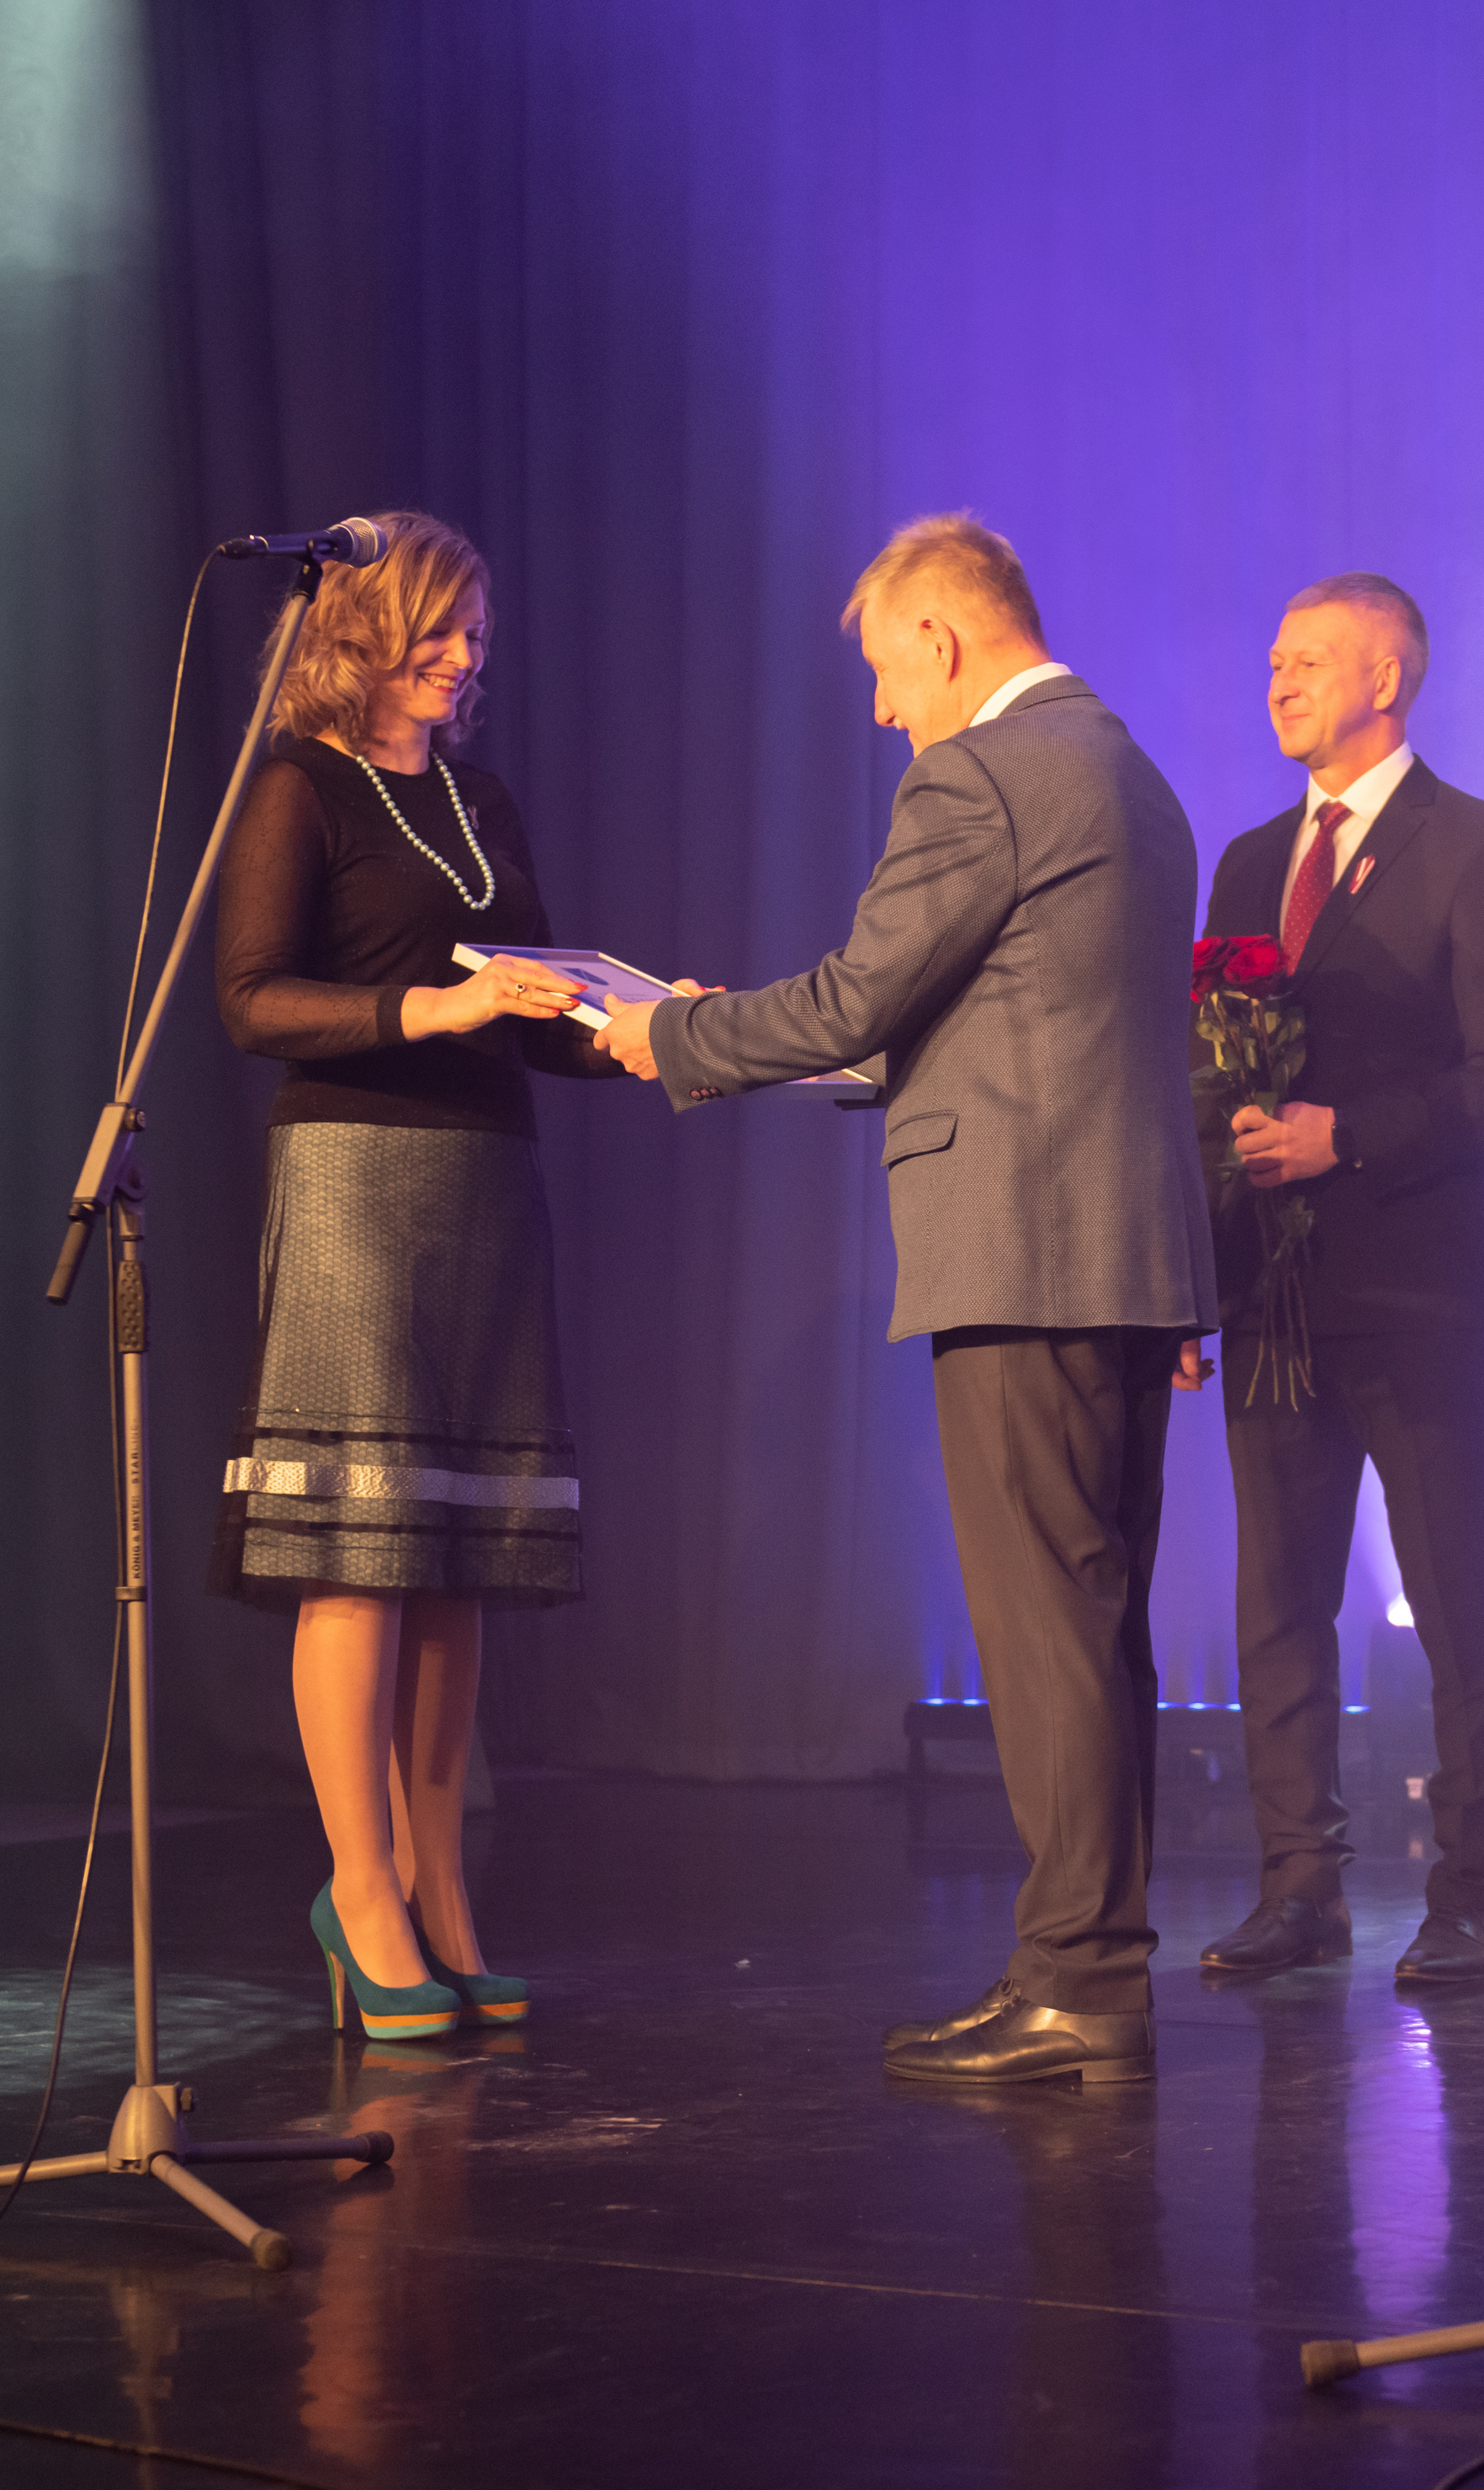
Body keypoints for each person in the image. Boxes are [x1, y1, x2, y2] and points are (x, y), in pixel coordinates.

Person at [599, 513, 1216, 2084]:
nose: (882, 708)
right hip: (1125, 1254)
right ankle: (1084, 1968)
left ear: (941, 639)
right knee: (1096, 1628)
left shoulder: (981, 774)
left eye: (885, 670)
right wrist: (735, 1035)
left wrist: (672, 1038)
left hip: (1024, 1251)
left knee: (1047, 1630)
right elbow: (997, 1019)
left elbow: (862, 993)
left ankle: (1080, 1985)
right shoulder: (1133, 773)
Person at [211, 509, 623, 2040]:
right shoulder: (299, 785)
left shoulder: (479, 799)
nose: (463, 655)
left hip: (485, 1183)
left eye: (474, 633)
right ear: (363, 630)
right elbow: (254, 1000)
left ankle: (442, 1891)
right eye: (437, 629)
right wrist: (426, 1014)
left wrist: (652, 1029)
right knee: (360, 1548)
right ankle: (362, 1889)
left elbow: (532, 1011)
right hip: (353, 1179)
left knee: (457, 1554)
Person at [1195, 572, 1484, 1984]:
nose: (1280, 679)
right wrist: (1193, 1272)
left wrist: (1345, 1136)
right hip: (1271, 1297)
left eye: (1309, 657)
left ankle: (1475, 1894)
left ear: (1387, 678)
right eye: (1272, 659)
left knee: (1456, 1593)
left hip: (1420, 1295)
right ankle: (1301, 1886)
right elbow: (1210, 1082)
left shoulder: (1477, 846)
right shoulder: (1249, 864)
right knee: (1278, 1604)